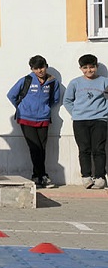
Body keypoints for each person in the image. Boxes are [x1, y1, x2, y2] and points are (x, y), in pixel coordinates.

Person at [7, 56, 64, 189]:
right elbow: (11, 95)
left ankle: (36, 176)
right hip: (26, 118)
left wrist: (45, 108)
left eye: (42, 67)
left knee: (42, 148)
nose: (40, 70)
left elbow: (55, 99)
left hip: (43, 118)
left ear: (46, 66)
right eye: (36, 68)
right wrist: (22, 107)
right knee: (35, 148)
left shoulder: (52, 82)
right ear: (32, 69)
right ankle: (43, 175)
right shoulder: (26, 80)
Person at [63, 53, 108, 189]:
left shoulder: (105, 81)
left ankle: (100, 177)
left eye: (92, 67)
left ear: (97, 67)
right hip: (80, 121)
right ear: (81, 68)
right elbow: (67, 101)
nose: (89, 70)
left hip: (100, 120)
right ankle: (86, 177)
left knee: (99, 149)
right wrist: (76, 113)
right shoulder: (75, 83)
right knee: (84, 149)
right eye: (85, 68)